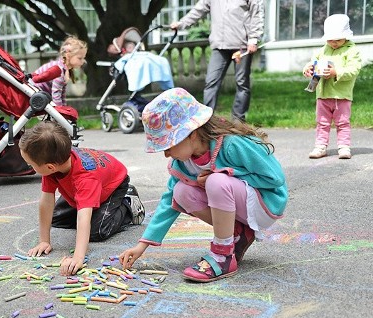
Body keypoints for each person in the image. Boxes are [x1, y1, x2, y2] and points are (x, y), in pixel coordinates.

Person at [119, 88, 288, 283]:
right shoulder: (182, 163)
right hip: (241, 205)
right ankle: (238, 233)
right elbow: (168, 202)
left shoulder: (231, 145)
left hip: (265, 204)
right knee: (180, 191)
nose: (166, 154)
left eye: (168, 145)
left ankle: (222, 256)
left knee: (216, 181)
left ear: (191, 133)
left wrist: (225, 173)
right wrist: (142, 245)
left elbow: (275, 178)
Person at [19, 121, 146, 276]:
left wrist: (78, 257)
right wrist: (44, 240)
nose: (30, 167)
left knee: (96, 231)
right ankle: (95, 205)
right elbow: (46, 202)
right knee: (56, 218)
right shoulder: (54, 165)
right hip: (82, 189)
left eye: (31, 165)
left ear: (50, 167)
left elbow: (83, 217)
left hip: (114, 186)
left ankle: (127, 204)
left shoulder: (85, 178)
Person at [170, 0, 264, 121]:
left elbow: (257, 13)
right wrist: (181, 23)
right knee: (211, 82)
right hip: (219, 45)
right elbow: (199, 9)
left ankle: (238, 119)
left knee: (242, 83)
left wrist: (254, 38)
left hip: (242, 45)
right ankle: (206, 119)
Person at [303, 14, 362, 160]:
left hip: (342, 95)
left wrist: (337, 72)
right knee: (322, 122)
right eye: (330, 40)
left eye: (338, 40)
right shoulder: (323, 50)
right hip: (323, 94)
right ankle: (320, 146)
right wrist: (307, 69)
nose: (334, 43)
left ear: (346, 37)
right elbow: (312, 62)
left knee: (342, 122)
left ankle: (343, 147)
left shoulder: (351, 50)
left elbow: (354, 69)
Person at [30, 36, 87, 106]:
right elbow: (56, 95)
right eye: (80, 58)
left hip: (41, 93)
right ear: (68, 56)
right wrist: (60, 111)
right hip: (36, 94)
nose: (83, 61)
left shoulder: (64, 69)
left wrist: (64, 107)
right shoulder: (60, 71)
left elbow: (61, 93)